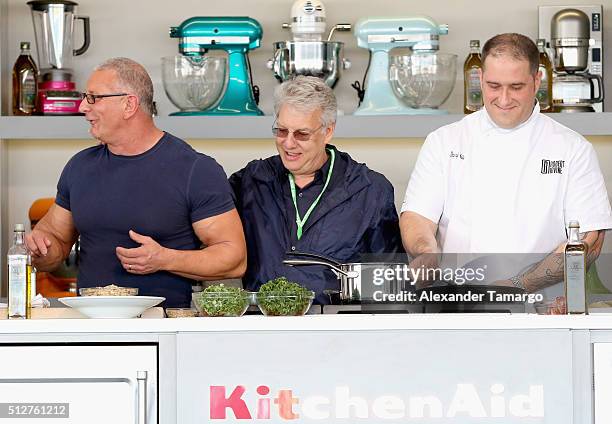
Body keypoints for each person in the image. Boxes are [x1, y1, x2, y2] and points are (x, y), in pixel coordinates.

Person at [25, 57, 246, 307]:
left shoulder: (196, 170)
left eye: (93, 98)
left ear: (129, 104)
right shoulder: (79, 167)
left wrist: (164, 259)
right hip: (89, 328)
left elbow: (234, 258)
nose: (82, 107)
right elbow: (56, 241)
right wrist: (37, 250)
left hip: (164, 329)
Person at [400, 33, 612, 293]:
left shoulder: (573, 149)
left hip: (541, 309)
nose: (503, 99)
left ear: (537, 81)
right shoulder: (444, 141)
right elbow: (417, 216)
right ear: (480, 78)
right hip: (458, 304)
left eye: (516, 87)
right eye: (494, 86)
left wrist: (516, 286)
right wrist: (426, 251)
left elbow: (588, 241)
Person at [230, 76, 403, 303]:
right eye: (281, 131)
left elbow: (390, 289)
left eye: (302, 134)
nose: (289, 143)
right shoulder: (250, 181)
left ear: (328, 131)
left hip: (338, 330)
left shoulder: (370, 191)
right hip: (263, 327)